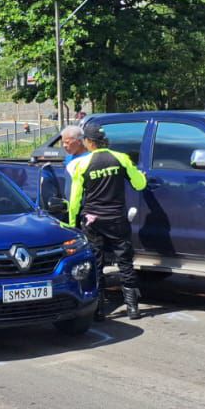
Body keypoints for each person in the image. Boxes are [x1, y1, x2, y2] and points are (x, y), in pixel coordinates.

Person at [66, 123, 149, 320]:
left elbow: (75, 199)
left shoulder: (82, 164)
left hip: (93, 221)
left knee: (96, 264)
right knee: (125, 262)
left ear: (88, 142)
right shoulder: (121, 158)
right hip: (117, 219)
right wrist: (141, 177)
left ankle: (98, 310)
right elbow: (140, 184)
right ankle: (133, 308)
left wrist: (71, 225)